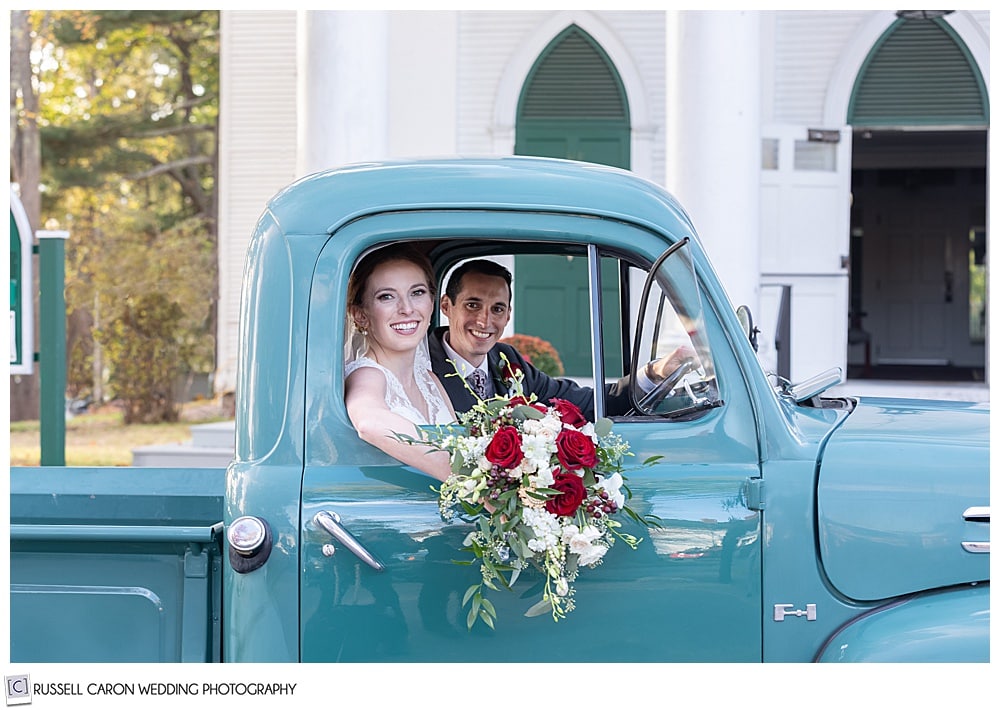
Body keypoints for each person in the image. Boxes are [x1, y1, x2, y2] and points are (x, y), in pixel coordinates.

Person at [428, 259, 695, 418]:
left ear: (508, 314)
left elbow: (583, 404)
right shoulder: (420, 365)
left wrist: (657, 372)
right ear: (446, 306)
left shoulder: (507, 360)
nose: (485, 321)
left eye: (497, 309)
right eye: (472, 305)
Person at [344, 244, 457, 481]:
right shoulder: (367, 375)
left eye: (417, 293)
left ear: (432, 302)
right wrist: (468, 479)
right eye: (386, 296)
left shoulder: (430, 380)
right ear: (360, 315)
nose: (407, 309)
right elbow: (369, 421)